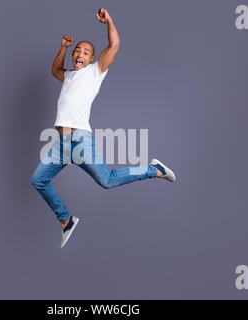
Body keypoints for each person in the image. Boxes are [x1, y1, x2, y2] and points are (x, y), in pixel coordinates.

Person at [31, 8, 176, 248]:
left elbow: (115, 44)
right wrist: (64, 48)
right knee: (38, 180)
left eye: (85, 52)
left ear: (91, 59)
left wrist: (108, 20)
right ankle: (66, 220)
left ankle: (154, 169)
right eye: (78, 50)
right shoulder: (69, 76)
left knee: (107, 180)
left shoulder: (95, 72)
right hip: (61, 144)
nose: (80, 53)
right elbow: (54, 70)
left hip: (80, 140)